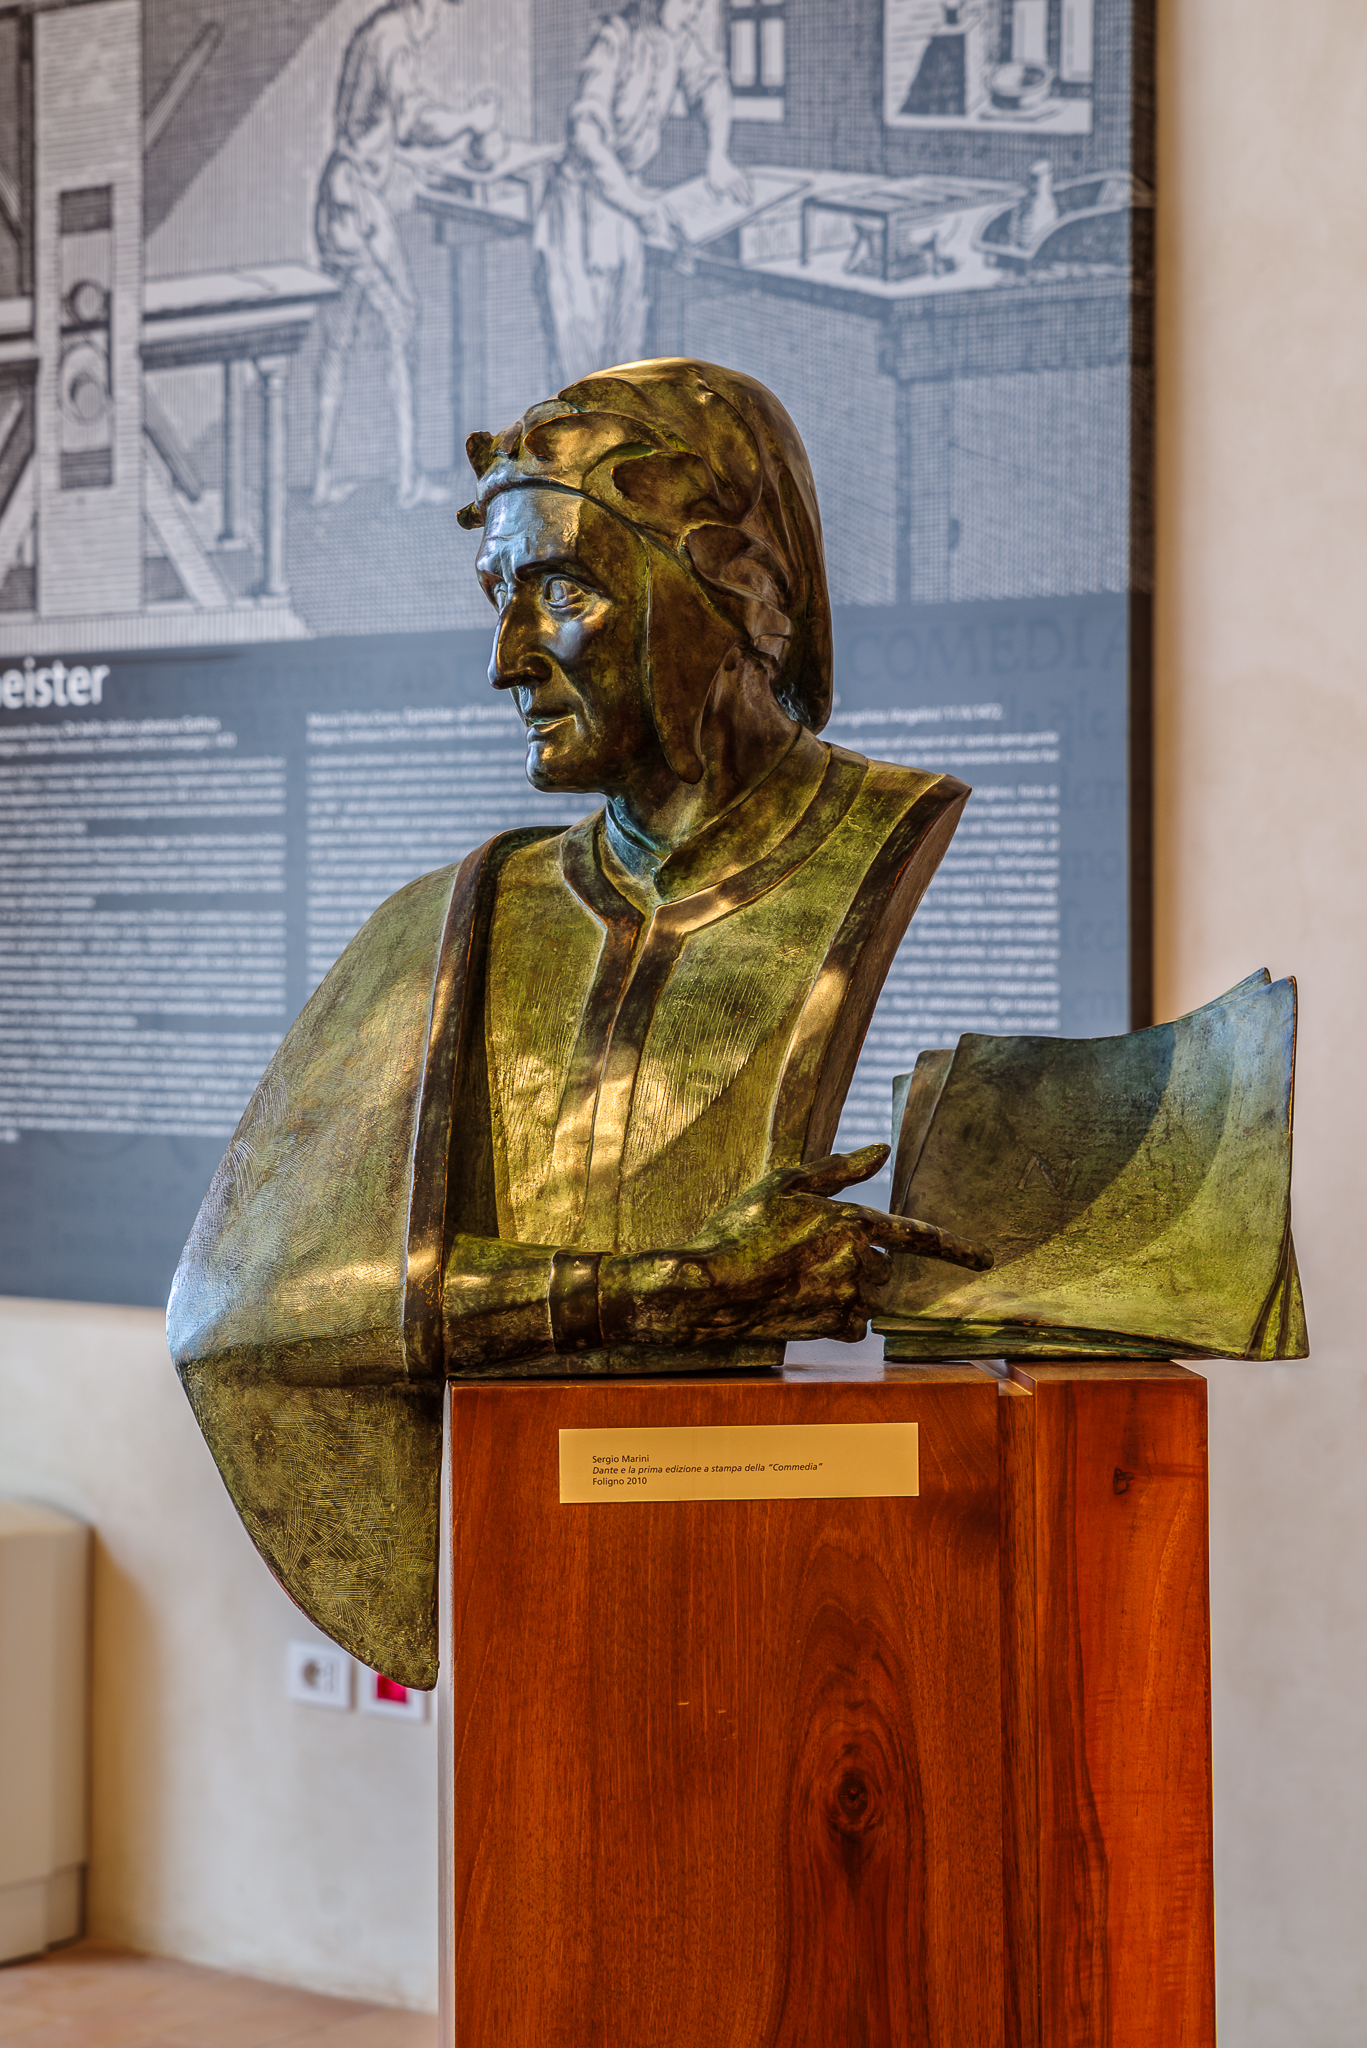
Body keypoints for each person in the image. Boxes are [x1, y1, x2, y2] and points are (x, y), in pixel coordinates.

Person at [169, 358, 988, 1683]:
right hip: (536, 1580)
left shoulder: (873, 839)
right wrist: (672, 1290)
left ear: (740, 592)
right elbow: (240, 1315)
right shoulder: (462, 918)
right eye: (497, 597)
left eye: (557, 590)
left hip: (778, 1597)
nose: (504, 662)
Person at [312, 0, 503, 510]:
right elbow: (414, 121)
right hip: (357, 202)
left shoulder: (375, 33)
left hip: (339, 196)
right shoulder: (394, 37)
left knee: (338, 341)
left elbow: (381, 130)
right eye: (440, 8)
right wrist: (472, 119)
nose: (438, 20)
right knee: (404, 324)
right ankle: (407, 480)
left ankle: (323, 479)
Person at [535, 0, 752, 384]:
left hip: (626, 209)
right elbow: (586, 135)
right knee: (581, 361)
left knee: (625, 358)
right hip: (578, 209)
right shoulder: (615, 38)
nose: (696, 11)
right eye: (689, 1)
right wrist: (638, 205)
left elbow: (711, 83)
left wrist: (718, 156)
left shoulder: (677, 39)